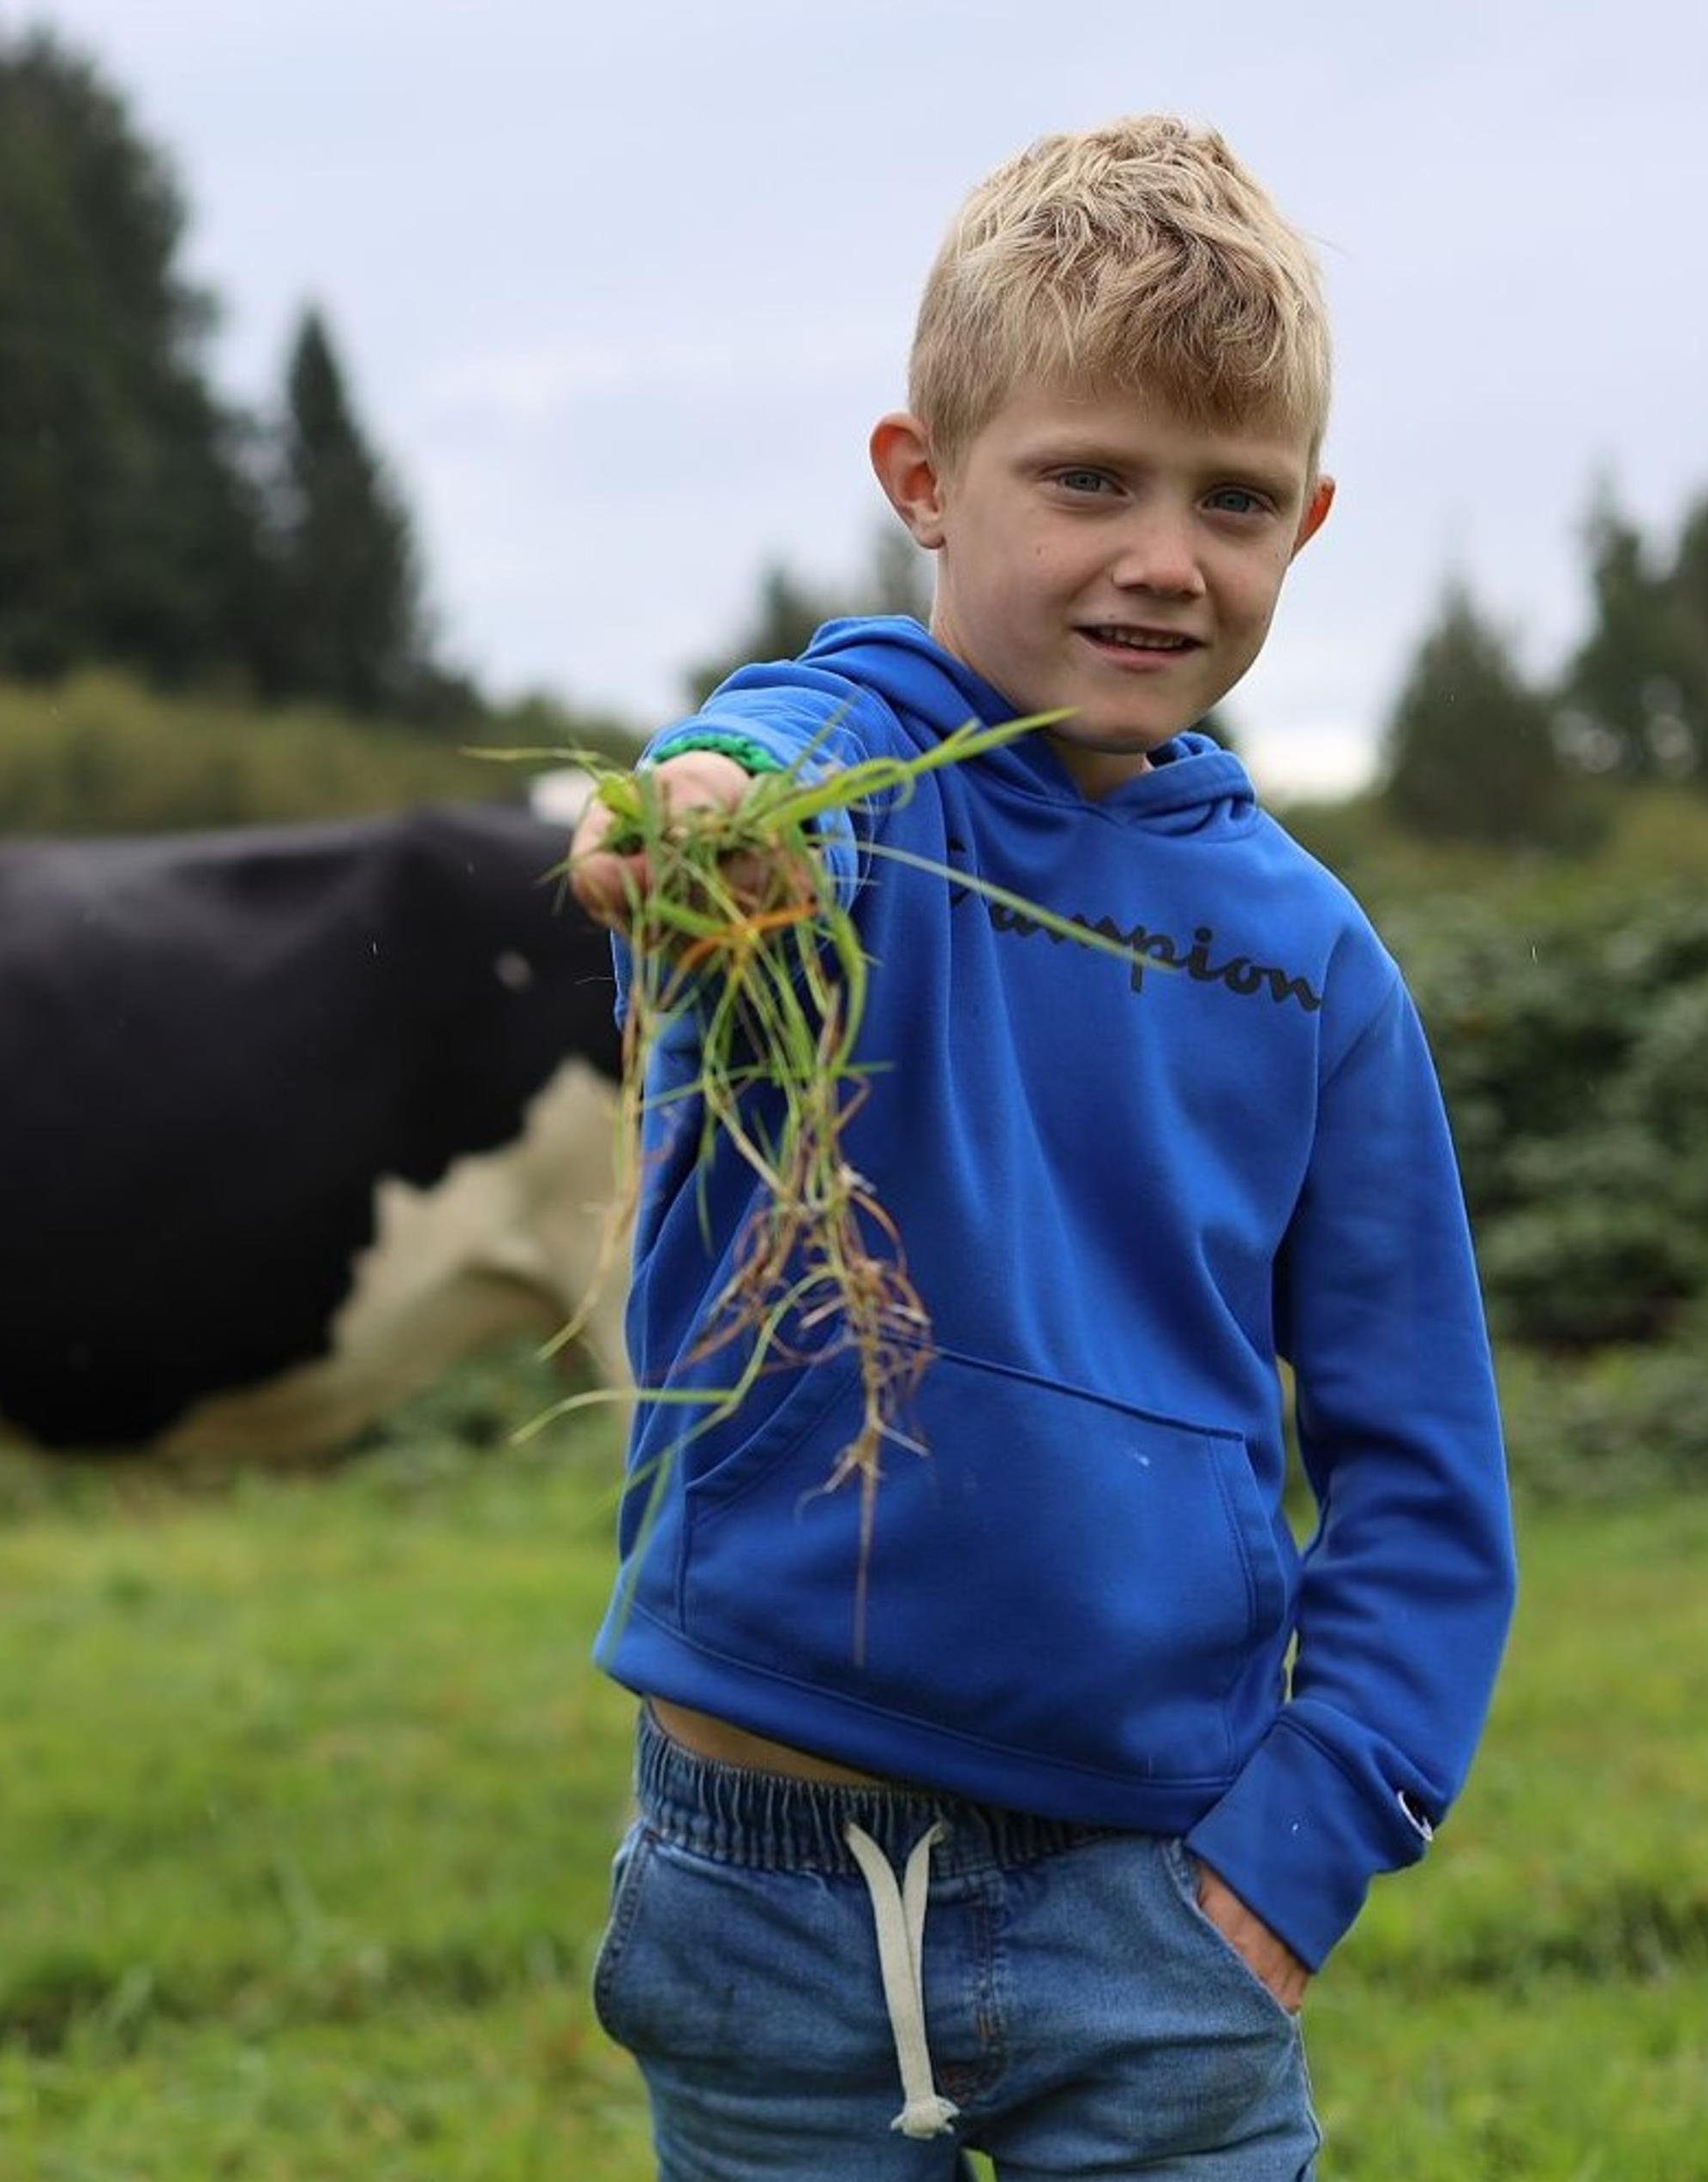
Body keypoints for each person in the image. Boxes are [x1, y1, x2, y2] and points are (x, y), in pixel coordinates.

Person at [566, 115, 1518, 2178]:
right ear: (922, 477)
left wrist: (1287, 1864)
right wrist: (698, 818)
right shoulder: (850, 809)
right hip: (757, 1889)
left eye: (1233, 499)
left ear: (1309, 522)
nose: (1163, 554)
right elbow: (770, 739)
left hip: (1155, 1900)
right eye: (1087, 477)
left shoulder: (1314, 965)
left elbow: (1426, 1474)